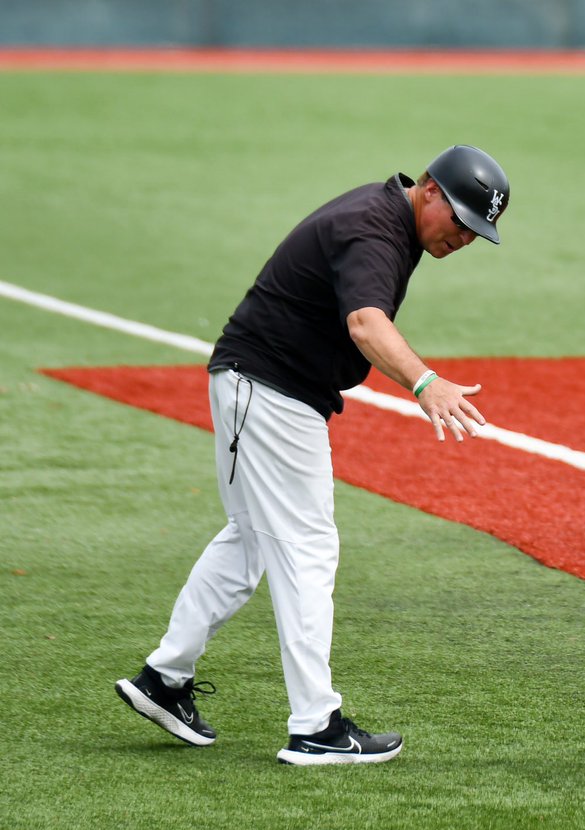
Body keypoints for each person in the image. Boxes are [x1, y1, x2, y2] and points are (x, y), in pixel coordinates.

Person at [115, 145, 511, 766]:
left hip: (252, 383)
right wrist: (426, 383)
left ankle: (163, 678)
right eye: (461, 219)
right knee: (306, 548)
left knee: (249, 540)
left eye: (476, 230)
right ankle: (316, 725)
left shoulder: (384, 217)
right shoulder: (375, 229)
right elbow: (365, 324)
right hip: (272, 391)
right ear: (429, 189)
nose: (464, 237)